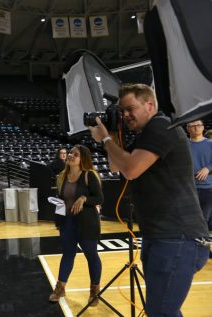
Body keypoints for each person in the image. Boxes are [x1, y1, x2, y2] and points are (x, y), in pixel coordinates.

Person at [88, 83, 209, 316]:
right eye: (122, 111)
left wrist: (105, 140)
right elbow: (117, 166)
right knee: (162, 310)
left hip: (177, 237)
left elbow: (131, 169)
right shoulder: (146, 134)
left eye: (130, 108)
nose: (125, 115)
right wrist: (112, 135)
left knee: (160, 311)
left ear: (150, 104)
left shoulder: (162, 126)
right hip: (161, 236)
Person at [49, 145, 103, 307]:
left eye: (75, 154)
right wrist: (58, 220)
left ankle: (94, 291)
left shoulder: (89, 175)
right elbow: (61, 199)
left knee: (91, 256)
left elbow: (99, 198)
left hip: (87, 224)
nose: (71, 155)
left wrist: (84, 198)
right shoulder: (62, 176)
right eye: (70, 153)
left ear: (82, 159)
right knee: (67, 255)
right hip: (68, 223)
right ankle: (60, 288)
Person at [187, 120, 212, 231]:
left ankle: (203, 246)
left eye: (198, 125)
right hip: (189, 189)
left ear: (203, 128)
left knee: (204, 220)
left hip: (208, 189)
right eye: (192, 125)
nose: (196, 127)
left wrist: (208, 168)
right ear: (188, 129)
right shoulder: (184, 145)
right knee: (190, 220)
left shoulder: (210, 143)